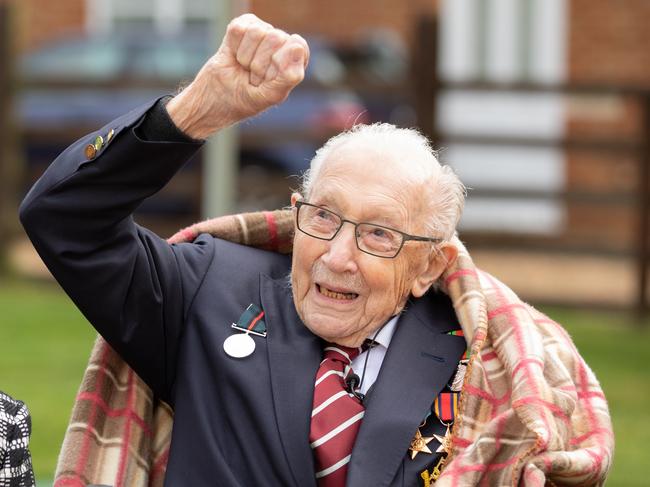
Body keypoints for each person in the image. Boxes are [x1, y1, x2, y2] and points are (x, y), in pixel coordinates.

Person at [20, 14, 613, 487]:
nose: (337, 256)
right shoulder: (206, 288)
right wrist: (198, 109)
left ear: (428, 265)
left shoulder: (489, 360)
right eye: (324, 217)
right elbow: (64, 218)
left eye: (379, 234)